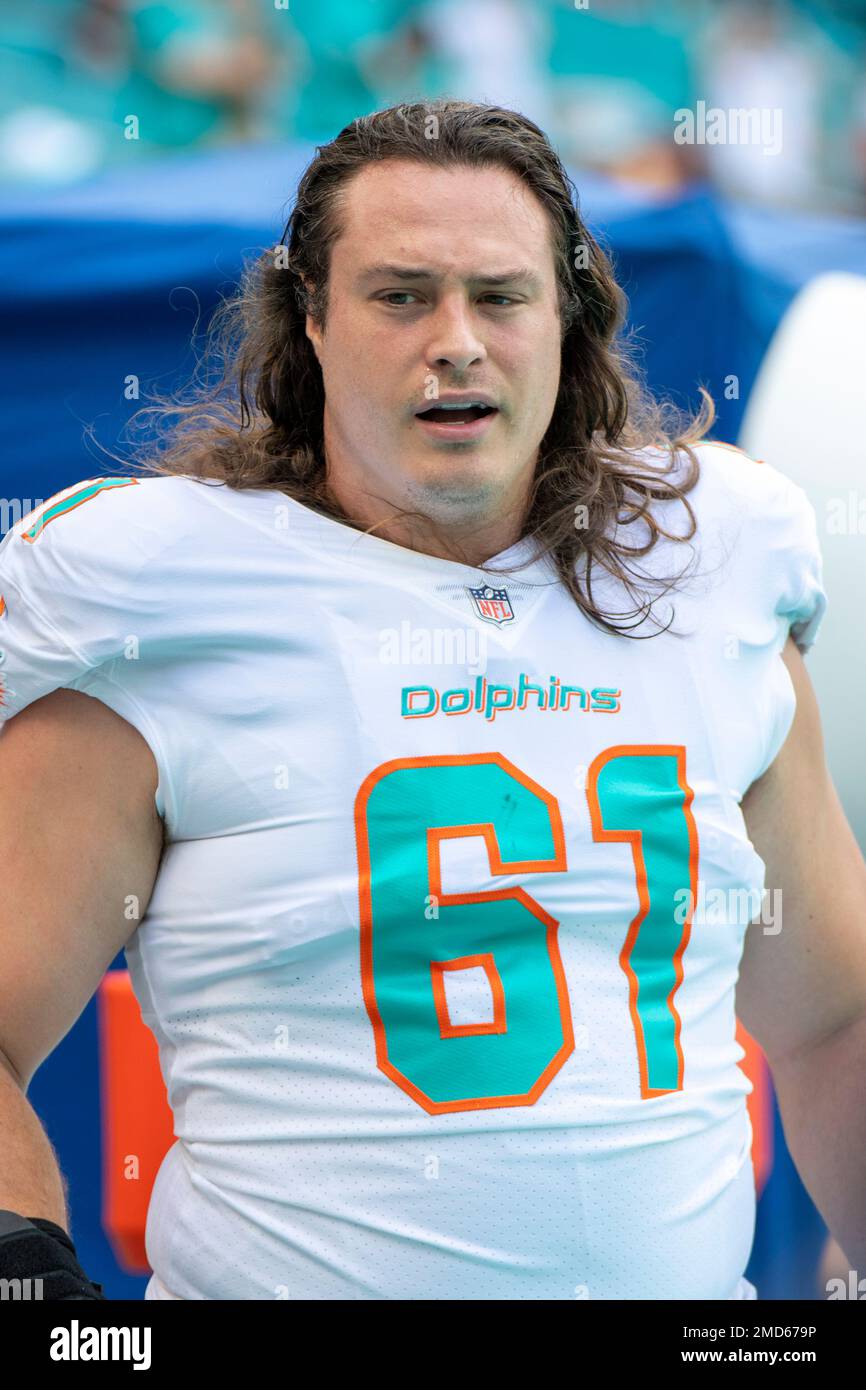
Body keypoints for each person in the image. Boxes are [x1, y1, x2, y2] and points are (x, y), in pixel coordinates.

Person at [1, 99, 864, 1301]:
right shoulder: (160, 600)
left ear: (567, 321)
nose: (454, 340)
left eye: (500, 296)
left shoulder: (709, 565)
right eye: (400, 295)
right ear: (310, 322)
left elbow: (832, 1018)